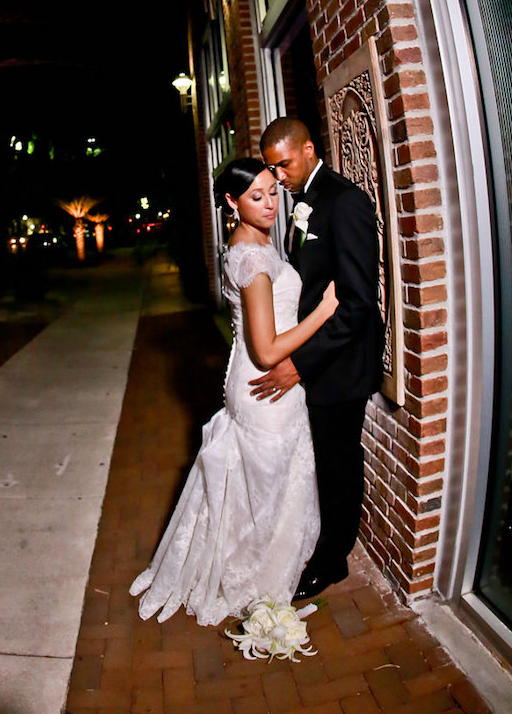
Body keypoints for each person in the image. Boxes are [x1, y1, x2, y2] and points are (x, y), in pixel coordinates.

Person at [130, 158, 338, 626]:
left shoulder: (253, 243)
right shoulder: (250, 257)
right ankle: (252, 575)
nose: (268, 204)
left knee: (261, 486)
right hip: (265, 386)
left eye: (271, 191)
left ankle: (257, 563)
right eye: (255, 197)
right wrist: (324, 313)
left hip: (248, 381)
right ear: (231, 202)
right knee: (266, 490)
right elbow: (266, 350)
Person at [257, 117, 383, 602]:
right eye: (271, 167)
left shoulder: (344, 201)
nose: (277, 176)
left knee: (339, 464)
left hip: (339, 365)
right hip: (315, 352)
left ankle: (333, 561)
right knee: (322, 461)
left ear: (308, 149)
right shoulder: (303, 201)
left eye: (283, 164)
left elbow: (355, 303)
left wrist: (300, 363)